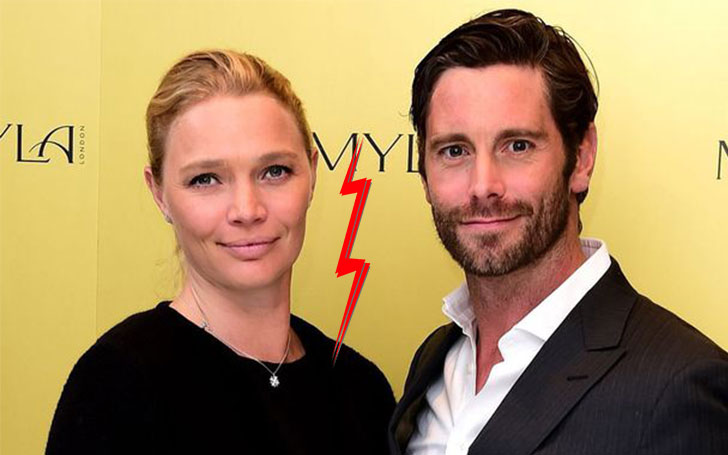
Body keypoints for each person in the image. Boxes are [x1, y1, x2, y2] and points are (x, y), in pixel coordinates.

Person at [389, 9, 728, 455]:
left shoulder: (678, 386)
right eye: (454, 150)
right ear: (424, 172)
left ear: (581, 157)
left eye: (517, 146)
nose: (483, 185)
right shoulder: (435, 362)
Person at [46, 49, 394, 455]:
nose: (247, 210)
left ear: (312, 174)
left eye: (275, 171)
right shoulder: (117, 385)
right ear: (159, 193)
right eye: (206, 179)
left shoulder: (360, 389)